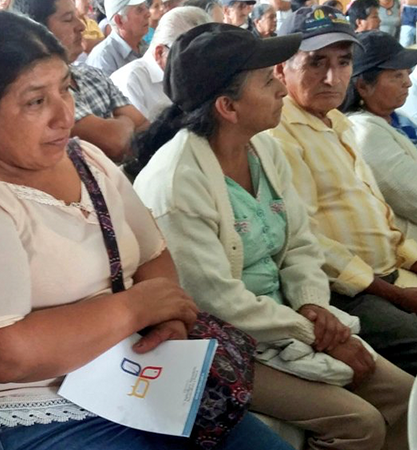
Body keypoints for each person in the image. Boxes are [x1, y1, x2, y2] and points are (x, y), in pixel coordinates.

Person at [0, 11, 295, 450]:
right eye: (35, 102)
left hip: (131, 380)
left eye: (65, 89)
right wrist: (136, 308)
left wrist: (166, 319)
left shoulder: (85, 159)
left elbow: (152, 255)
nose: (63, 115)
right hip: (33, 408)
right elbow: (7, 355)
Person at [132, 22, 412, 450]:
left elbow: (300, 243)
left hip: (291, 319)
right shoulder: (177, 184)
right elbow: (217, 301)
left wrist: (312, 304)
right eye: (267, 81)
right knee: (359, 423)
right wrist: (313, 332)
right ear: (228, 106)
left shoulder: (263, 149)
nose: (281, 89)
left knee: (405, 394)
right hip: (226, 339)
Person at [271, 4, 417, 375]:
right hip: (346, 292)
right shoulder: (277, 134)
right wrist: (395, 294)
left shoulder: (337, 121)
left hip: (389, 273)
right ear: (281, 69)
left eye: (343, 62)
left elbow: (378, 211)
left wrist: (412, 259)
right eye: (316, 63)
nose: (332, 78)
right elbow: (305, 240)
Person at [14, 0, 149, 161]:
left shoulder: (91, 74)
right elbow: (114, 143)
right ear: (38, 30)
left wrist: (119, 127)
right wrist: (126, 121)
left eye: (78, 17)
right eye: (68, 19)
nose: (81, 26)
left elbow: (143, 125)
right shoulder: (39, 92)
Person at [342, 31, 417, 240]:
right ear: (363, 86)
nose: (408, 83)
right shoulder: (366, 133)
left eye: (407, 73)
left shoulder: (397, 118)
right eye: (396, 76)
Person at [111, 6, 212, 121]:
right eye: (190, 58)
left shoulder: (197, 75)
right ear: (159, 53)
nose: (199, 65)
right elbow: (142, 132)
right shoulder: (130, 81)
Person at [85, 0, 150, 75]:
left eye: (146, 7)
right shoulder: (103, 58)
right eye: (139, 10)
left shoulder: (145, 47)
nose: (148, 14)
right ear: (119, 21)